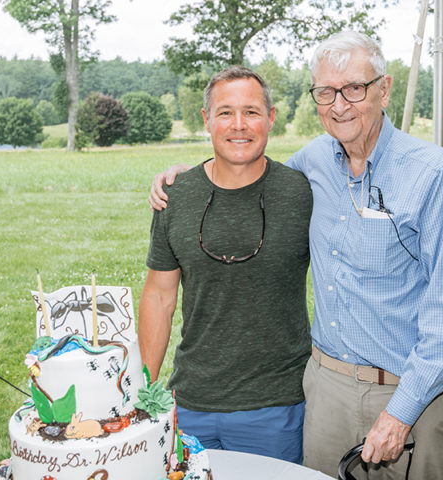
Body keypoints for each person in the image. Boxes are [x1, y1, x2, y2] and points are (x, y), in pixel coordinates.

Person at [149, 32, 443, 480]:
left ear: (385, 88)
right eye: (326, 92)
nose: (340, 104)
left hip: (412, 391)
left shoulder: (429, 170)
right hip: (326, 392)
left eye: (355, 88)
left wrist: (400, 414)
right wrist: (189, 178)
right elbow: (247, 167)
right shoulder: (312, 164)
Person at [138, 65, 313, 464]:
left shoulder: (302, 193)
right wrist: (145, 391)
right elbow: (159, 296)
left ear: (270, 119)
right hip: (191, 404)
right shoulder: (175, 196)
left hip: (276, 408)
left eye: (251, 112)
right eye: (225, 112)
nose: (239, 125)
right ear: (206, 120)